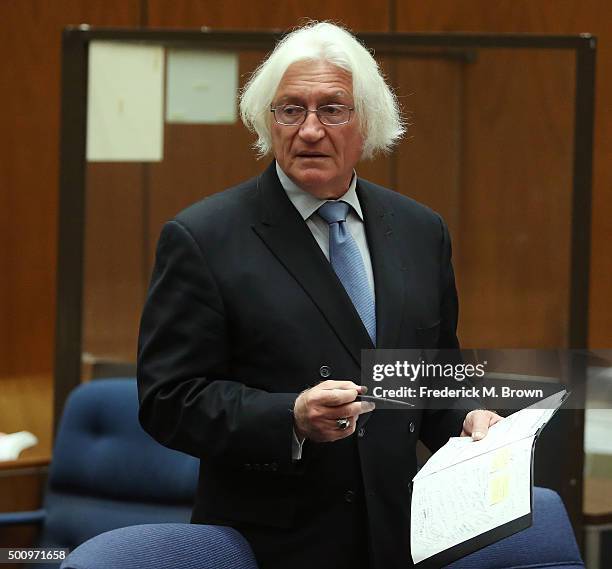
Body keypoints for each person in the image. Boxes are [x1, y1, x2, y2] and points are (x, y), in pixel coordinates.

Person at [137, 21, 501, 569]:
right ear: (269, 121)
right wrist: (291, 417)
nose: (309, 130)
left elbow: (430, 377)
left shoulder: (422, 230)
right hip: (271, 547)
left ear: (368, 124)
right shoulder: (204, 237)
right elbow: (168, 400)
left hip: (399, 538)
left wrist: (468, 417)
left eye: (333, 110)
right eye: (291, 109)